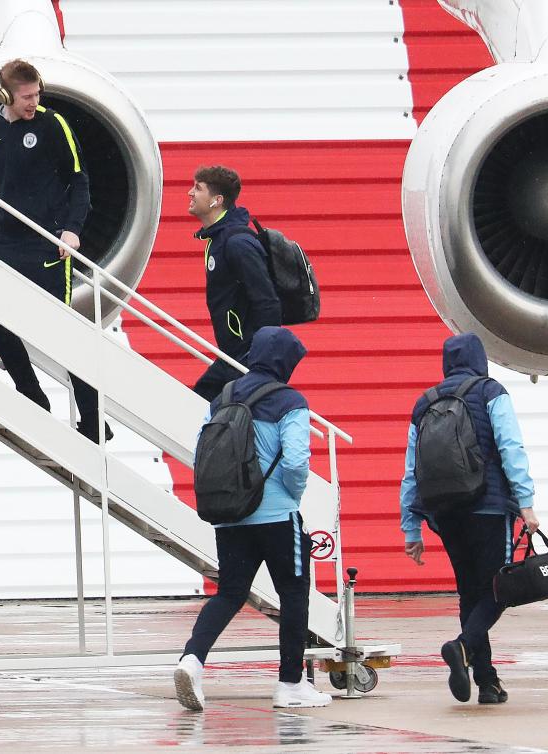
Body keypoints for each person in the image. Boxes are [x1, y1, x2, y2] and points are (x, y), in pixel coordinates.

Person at [174, 326, 331, 711]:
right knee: (294, 597)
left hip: (231, 517)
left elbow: (202, 453)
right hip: (278, 517)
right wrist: (290, 498)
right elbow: (296, 460)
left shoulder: (223, 397)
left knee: (230, 593)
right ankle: (291, 685)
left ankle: (191, 659)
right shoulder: (289, 400)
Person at [0, 58, 110, 443]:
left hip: (49, 241)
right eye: (26, 97)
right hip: (4, 242)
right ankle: (31, 395)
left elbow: (79, 180)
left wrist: (72, 230)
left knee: (60, 331)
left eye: (37, 95)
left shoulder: (53, 124)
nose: (33, 102)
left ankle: (94, 419)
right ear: (6, 95)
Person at [398, 332, 539, 705]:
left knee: (470, 593)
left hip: (446, 513)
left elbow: (411, 471)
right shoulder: (490, 392)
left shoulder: (425, 402)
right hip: (489, 507)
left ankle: (487, 682)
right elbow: (511, 447)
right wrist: (525, 501)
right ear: (480, 359)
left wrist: (411, 526)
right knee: (499, 590)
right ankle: (461, 648)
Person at [188, 165, 282, 402]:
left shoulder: (237, 242)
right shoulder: (218, 238)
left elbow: (268, 302)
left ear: (216, 200)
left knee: (195, 410)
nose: (190, 193)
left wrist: (260, 361)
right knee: (195, 411)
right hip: (231, 354)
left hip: (245, 358)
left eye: (198, 188)